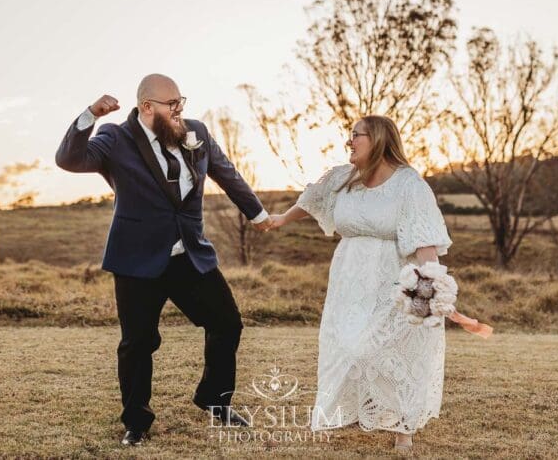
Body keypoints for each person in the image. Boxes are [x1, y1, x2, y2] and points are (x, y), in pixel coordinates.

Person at [55, 74, 273, 446]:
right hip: (136, 260)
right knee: (137, 343)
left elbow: (226, 173)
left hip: (189, 254)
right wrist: (91, 114)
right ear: (147, 107)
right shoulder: (115, 138)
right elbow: (70, 159)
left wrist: (259, 215)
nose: (180, 110)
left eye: (181, 101)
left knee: (227, 323)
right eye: (171, 104)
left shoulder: (196, 132)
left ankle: (214, 399)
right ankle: (136, 423)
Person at [268, 115, 459, 454]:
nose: (350, 141)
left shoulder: (409, 184)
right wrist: (282, 218)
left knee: (387, 349)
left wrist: (436, 293)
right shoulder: (344, 178)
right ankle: (360, 412)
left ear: (379, 139)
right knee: (346, 345)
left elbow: (424, 240)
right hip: (349, 277)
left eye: (356, 135)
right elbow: (312, 197)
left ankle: (403, 428)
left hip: (392, 277)